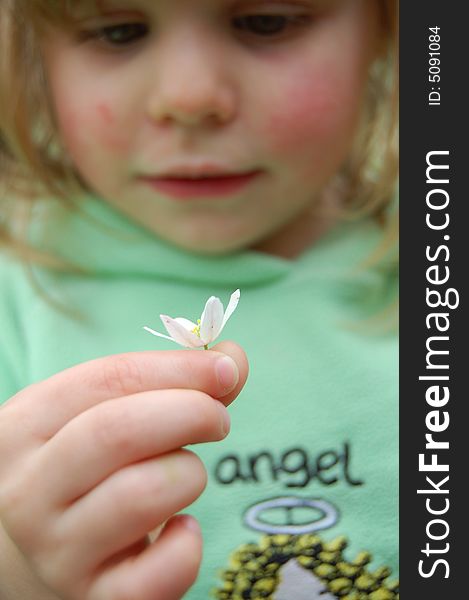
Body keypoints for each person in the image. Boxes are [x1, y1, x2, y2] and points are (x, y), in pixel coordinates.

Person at [0, 0, 398, 598]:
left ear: (385, 28)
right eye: (118, 31)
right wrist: (23, 573)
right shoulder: (17, 305)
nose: (189, 98)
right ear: (33, 56)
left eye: (266, 22)